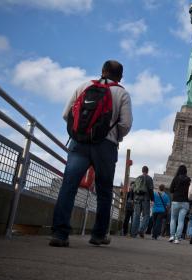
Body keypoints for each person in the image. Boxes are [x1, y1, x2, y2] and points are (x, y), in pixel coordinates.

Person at [50, 60, 132, 247]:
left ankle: (60, 234)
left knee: (69, 186)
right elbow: (126, 124)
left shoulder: (84, 86)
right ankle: (98, 235)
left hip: (79, 143)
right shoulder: (122, 94)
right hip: (106, 146)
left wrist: (80, 131)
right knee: (104, 191)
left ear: (102, 71)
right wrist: (112, 135)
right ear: (120, 76)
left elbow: (66, 114)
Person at [169, 165, 191, 244]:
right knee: (181, 221)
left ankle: (171, 236)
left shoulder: (176, 178)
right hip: (185, 202)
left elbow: (171, 190)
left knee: (173, 219)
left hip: (176, 201)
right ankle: (177, 238)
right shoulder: (188, 179)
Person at [131, 166, 154, 238]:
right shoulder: (149, 178)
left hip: (137, 199)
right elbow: (150, 190)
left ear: (142, 170)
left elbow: (133, 189)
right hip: (145, 199)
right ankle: (141, 230)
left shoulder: (138, 178)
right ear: (147, 171)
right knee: (146, 215)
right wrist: (152, 199)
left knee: (136, 215)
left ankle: (133, 233)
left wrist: (132, 198)